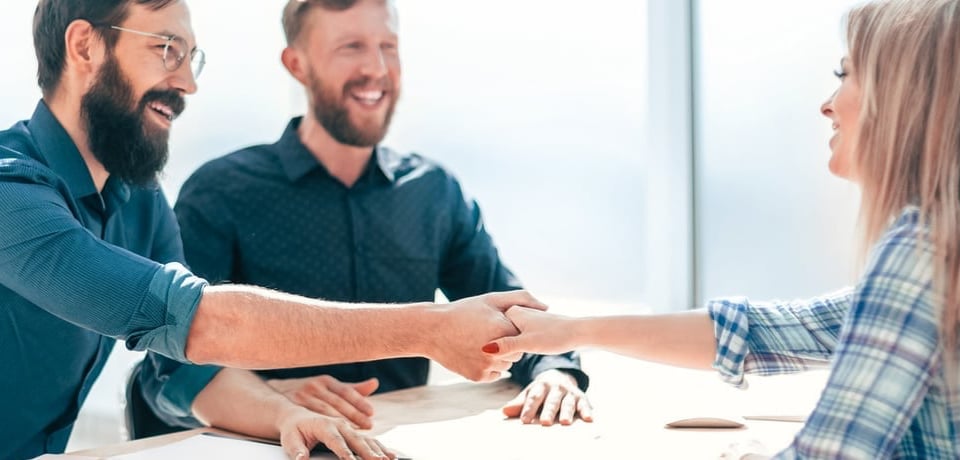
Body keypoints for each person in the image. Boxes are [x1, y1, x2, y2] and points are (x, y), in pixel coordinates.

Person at [0, 1, 545, 459]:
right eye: (166, 49)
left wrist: (285, 415)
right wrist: (429, 329)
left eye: (191, 58)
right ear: (85, 46)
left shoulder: (138, 200)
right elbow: (203, 322)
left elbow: (189, 362)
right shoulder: (9, 191)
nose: (187, 83)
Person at [483, 0, 960, 457]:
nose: (826, 105)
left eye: (845, 75)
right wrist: (570, 331)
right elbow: (771, 331)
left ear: (904, 97)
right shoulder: (939, 247)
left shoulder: (920, 254)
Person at [136, 0, 591, 445]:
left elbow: (511, 315)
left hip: (401, 446)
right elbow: (167, 369)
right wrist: (267, 399)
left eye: (388, 46)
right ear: (297, 65)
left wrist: (554, 373)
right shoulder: (221, 192)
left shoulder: (434, 192)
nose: (376, 68)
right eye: (350, 47)